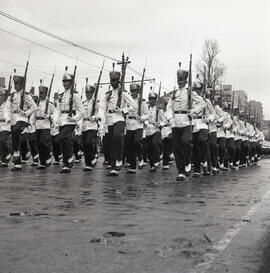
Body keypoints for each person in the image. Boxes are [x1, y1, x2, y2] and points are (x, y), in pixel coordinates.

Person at [167, 68, 205, 181]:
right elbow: (169, 107)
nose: (180, 81)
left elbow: (202, 103)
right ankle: (181, 171)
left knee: (186, 142)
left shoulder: (190, 92)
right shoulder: (173, 94)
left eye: (182, 79)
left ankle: (188, 161)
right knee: (176, 148)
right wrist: (170, 118)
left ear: (186, 81)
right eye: (179, 79)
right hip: (175, 122)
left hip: (187, 121)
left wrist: (194, 111)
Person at [105, 69, 136, 176]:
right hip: (109, 118)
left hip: (119, 118)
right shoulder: (108, 94)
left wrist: (123, 110)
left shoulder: (123, 93)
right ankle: (114, 166)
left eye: (114, 80)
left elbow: (134, 106)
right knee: (111, 142)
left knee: (117, 136)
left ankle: (119, 158)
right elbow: (102, 107)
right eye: (111, 80)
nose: (112, 83)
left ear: (118, 81)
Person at [53, 70, 84, 173]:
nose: (65, 83)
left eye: (67, 81)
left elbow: (81, 110)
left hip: (70, 121)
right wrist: (55, 121)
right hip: (62, 120)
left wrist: (75, 119)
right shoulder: (61, 96)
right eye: (64, 81)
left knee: (62, 138)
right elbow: (58, 110)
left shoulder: (74, 95)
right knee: (62, 140)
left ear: (71, 83)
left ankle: (69, 157)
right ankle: (67, 163)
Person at [9, 75, 37, 171]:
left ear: (21, 84)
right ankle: (18, 164)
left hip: (22, 118)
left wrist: (26, 113)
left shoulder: (25, 95)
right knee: (14, 136)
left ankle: (16, 152)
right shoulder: (12, 95)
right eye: (14, 83)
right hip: (14, 118)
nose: (15, 85)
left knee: (16, 131)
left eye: (17, 83)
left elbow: (34, 107)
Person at [125, 83, 149, 174]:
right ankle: (132, 167)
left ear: (138, 91)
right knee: (129, 146)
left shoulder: (141, 102)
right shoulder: (128, 100)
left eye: (134, 91)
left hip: (138, 124)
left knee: (137, 141)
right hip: (129, 124)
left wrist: (142, 118)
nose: (132, 92)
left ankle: (141, 157)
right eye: (131, 91)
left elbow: (147, 115)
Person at [81, 84, 102, 171]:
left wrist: (95, 117)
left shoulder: (96, 102)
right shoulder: (84, 103)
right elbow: (81, 114)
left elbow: (101, 112)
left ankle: (93, 156)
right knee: (84, 145)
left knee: (89, 142)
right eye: (86, 92)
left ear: (93, 93)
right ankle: (88, 164)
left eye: (89, 92)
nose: (87, 94)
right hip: (85, 125)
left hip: (93, 125)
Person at [35, 85, 55, 169]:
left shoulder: (49, 104)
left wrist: (49, 116)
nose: (41, 95)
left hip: (45, 125)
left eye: (42, 93)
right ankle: (42, 162)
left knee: (43, 142)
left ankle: (48, 156)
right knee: (39, 144)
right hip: (38, 125)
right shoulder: (37, 103)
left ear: (46, 94)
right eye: (40, 93)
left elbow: (55, 114)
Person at [0, 87, 12, 167]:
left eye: (2, 95)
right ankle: (3, 160)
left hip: (6, 126)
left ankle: (7, 153)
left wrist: (8, 119)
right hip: (0, 126)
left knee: (2, 141)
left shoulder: (9, 104)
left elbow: (13, 114)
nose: (0, 96)